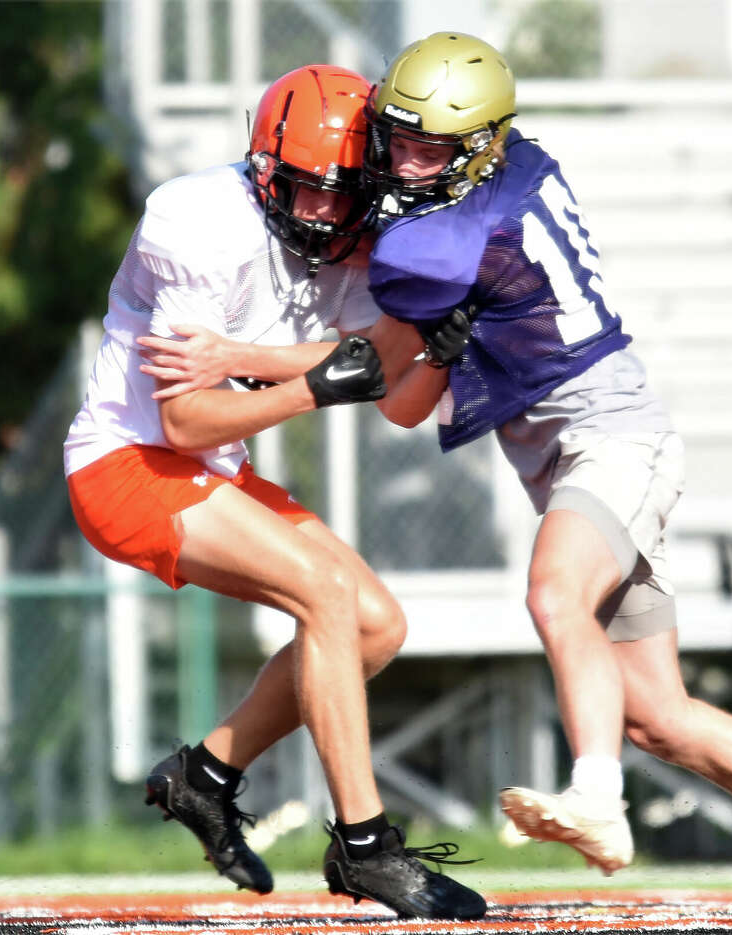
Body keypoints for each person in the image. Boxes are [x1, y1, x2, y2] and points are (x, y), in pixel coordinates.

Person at [358, 32, 732, 917]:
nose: (407, 158)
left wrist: (238, 357)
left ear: (481, 146)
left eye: (433, 143)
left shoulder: (457, 237)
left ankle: (598, 798)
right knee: (659, 713)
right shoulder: (510, 170)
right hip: (584, 453)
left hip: (611, 438)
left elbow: (384, 367)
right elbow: (401, 404)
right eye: (401, 136)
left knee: (553, 595)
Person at [62, 63, 485, 922]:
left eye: (341, 194)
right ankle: (365, 845)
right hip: (127, 461)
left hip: (217, 469)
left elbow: (399, 401)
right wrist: (320, 381)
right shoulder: (197, 223)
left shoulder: (373, 239)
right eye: (302, 191)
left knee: (376, 624)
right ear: (263, 171)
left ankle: (204, 775)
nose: (323, 213)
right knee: (326, 595)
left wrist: (430, 347)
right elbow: (185, 422)